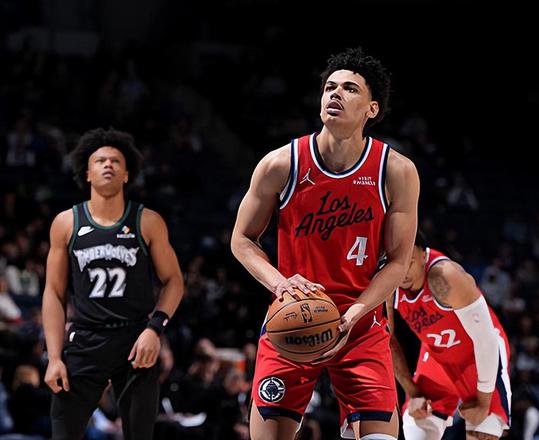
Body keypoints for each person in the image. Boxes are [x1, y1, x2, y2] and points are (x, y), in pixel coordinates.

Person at [231, 47, 420, 440]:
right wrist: (280, 284)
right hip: (294, 318)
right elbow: (242, 239)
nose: (335, 94)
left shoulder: (396, 171)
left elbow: (398, 262)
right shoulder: (281, 164)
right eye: (330, 87)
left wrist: (354, 315)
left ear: (371, 109)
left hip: (361, 322)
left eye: (350, 89)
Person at [42, 127, 184, 440]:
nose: (108, 164)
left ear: (127, 174)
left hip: (136, 340)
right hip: (85, 339)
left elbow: (174, 280)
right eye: (100, 160)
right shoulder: (66, 223)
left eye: (116, 161)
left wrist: (155, 328)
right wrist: (53, 358)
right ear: (87, 173)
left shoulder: (147, 221)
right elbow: (53, 292)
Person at [387, 232, 512, 439]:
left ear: (423, 255)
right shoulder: (389, 281)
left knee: (483, 433)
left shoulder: (444, 276)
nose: (403, 272)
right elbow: (387, 340)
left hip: (478, 356)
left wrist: (484, 403)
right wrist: (413, 392)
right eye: (399, 264)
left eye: (410, 263)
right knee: (415, 424)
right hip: (437, 358)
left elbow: (485, 339)